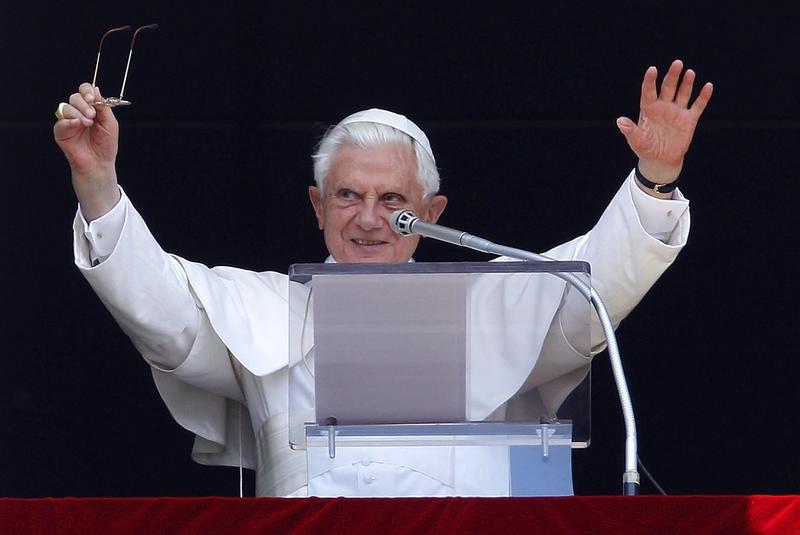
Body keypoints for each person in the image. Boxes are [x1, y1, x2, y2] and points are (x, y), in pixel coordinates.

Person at [53, 59, 712, 496]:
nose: (369, 218)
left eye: (392, 200)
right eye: (348, 196)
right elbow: (163, 313)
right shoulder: (262, 310)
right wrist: (97, 181)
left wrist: (654, 180)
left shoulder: (492, 307)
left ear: (432, 214)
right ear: (317, 207)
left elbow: (592, 289)